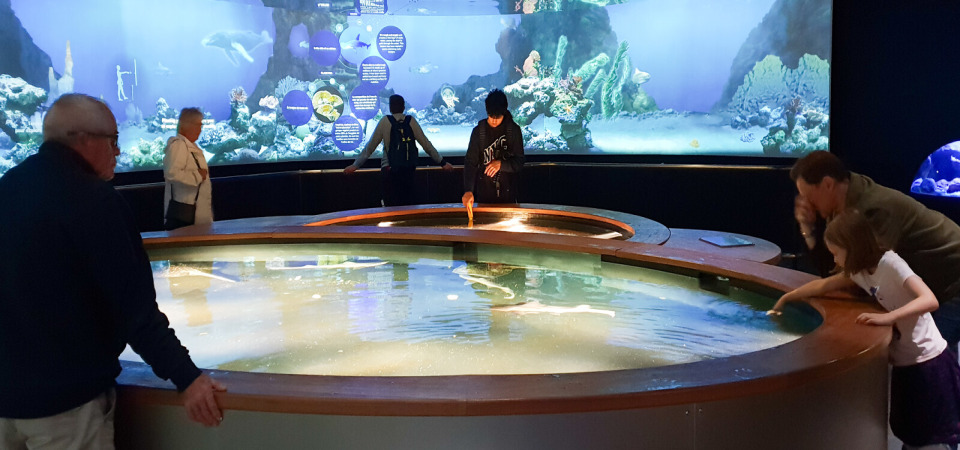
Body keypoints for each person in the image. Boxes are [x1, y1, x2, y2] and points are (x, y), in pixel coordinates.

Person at [0, 94, 225, 449]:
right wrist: (187, 377)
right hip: (65, 408)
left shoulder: (8, 187)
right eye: (113, 141)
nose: (117, 153)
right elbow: (133, 309)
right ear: (84, 139)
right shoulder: (95, 201)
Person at [770, 211, 960, 449]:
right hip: (904, 361)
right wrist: (787, 298)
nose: (836, 261)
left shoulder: (891, 263)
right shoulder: (859, 271)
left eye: (837, 254)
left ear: (853, 246)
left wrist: (888, 318)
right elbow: (826, 284)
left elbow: (929, 300)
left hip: (928, 359)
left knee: (935, 434)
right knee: (910, 431)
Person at [790, 150, 960, 352]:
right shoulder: (841, 202)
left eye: (809, 195)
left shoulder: (871, 210)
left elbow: (855, 273)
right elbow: (836, 266)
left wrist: (814, 289)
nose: (807, 202)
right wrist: (807, 229)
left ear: (828, 184)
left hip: (953, 279)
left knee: (930, 355)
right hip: (933, 280)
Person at [344, 94, 452, 206]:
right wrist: (442, 162)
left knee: (390, 207)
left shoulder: (384, 121)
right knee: (408, 207)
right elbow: (426, 144)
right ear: (403, 107)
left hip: (389, 170)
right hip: (408, 170)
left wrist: (355, 165)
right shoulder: (411, 121)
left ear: (390, 108)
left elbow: (370, 147)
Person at [462, 88, 524, 210]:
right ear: (486, 111)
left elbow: (519, 162)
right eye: (491, 116)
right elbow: (470, 163)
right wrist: (469, 190)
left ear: (504, 112)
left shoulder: (513, 130)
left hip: (509, 196)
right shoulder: (479, 131)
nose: (494, 120)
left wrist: (501, 164)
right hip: (484, 195)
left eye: (498, 116)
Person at [163, 107, 212, 230]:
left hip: (195, 216)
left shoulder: (190, 146)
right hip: (185, 217)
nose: (201, 129)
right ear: (187, 125)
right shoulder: (179, 145)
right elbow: (171, 173)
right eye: (198, 124)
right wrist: (198, 176)